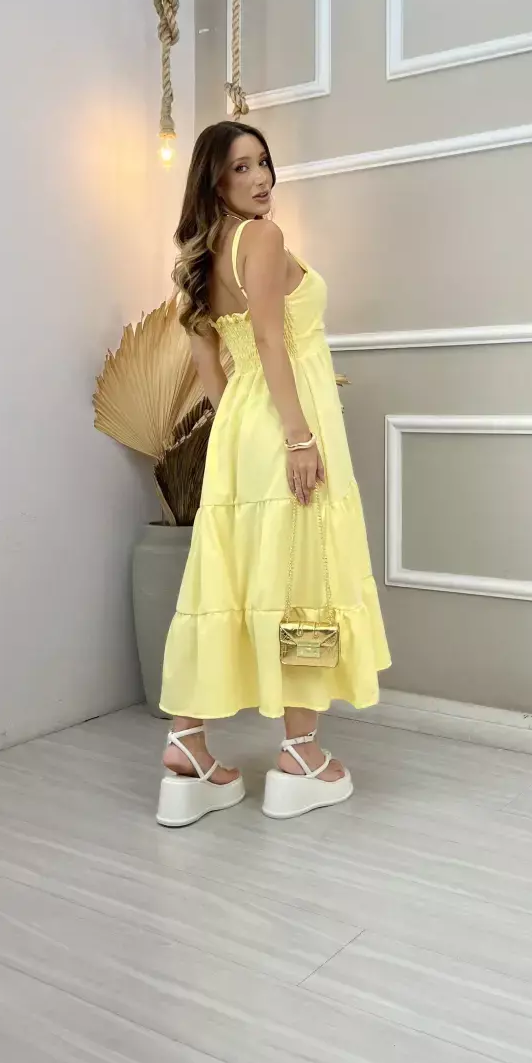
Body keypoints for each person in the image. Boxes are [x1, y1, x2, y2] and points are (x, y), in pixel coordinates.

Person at [157, 121, 391, 827]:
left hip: (239, 431)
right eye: (240, 167)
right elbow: (267, 337)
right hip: (286, 428)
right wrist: (296, 436)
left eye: (263, 162)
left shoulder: (199, 259)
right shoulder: (261, 238)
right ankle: (300, 753)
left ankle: (187, 744)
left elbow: (210, 369)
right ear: (214, 180)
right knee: (304, 586)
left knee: (224, 583)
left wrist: (243, 437)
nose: (260, 178)